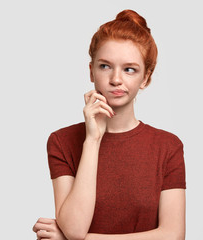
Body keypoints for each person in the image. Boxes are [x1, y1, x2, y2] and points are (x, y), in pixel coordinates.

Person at [33, 9, 186, 240]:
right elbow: (74, 227)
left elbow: (173, 235)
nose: (116, 79)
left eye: (129, 69)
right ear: (91, 71)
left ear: (145, 78)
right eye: (105, 66)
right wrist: (92, 140)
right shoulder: (61, 141)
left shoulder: (167, 146)